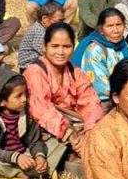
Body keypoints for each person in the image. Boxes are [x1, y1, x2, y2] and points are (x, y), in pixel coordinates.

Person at [24, 22, 103, 167]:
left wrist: (88, 133)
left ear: (73, 47)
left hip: (74, 127)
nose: (60, 52)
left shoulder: (75, 71)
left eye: (66, 47)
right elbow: (41, 110)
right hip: (46, 128)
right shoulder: (35, 71)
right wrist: (69, 135)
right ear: (44, 47)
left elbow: (91, 102)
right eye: (55, 46)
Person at [0, 66, 48, 179]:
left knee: (56, 145)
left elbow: (35, 141)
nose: (24, 99)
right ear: (2, 101)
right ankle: (28, 175)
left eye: (25, 93)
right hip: (3, 160)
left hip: (26, 156)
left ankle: (22, 177)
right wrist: (16, 157)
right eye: (18, 96)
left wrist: (39, 157)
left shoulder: (27, 114)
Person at [72, 7, 128, 108]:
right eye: (110, 26)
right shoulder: (95, 50)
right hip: (103, 102)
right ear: (101, 29)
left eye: (119, 25)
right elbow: (102, 88)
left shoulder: (123, 45)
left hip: (124, 96)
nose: (116, 30)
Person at [17, 1, 64, 72]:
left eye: (63, 21)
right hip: (29, 68)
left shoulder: (45, 29)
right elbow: (46, 52)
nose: (62, 24)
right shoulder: (39, 31)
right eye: (59, 21)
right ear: (45, 19)